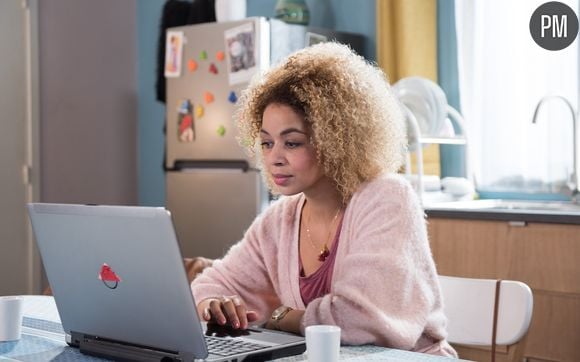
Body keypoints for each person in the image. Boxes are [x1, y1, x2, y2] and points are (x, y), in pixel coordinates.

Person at [190, 42, 457, 357]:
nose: (274, 158)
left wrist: (279, 315)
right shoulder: (281, 219)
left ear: (336, 140)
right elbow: (208, 286)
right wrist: (215, 305)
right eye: (266, 143)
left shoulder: (386, 198)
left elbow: (363, 321)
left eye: (292, 143)